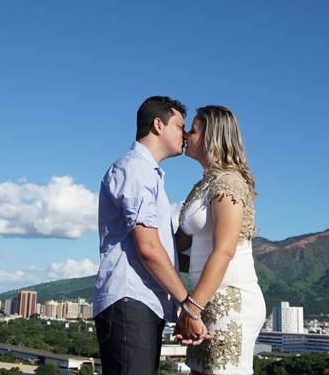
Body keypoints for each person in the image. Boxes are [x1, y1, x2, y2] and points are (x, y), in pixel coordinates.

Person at [94, 96, 209, 375]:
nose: (184, 135)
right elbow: (148, 247)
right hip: (129, 300)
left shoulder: (150, 174)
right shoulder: (135, 168)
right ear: (159, 125)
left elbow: (164, 251)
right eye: (180, 126)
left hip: (144, 303)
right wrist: (188, 303)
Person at [176, 105, 266, 375]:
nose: (185, 136)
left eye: (192, 131)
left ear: (211, 137)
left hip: (230, 300)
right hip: (203, 299)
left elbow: (224, 250)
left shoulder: (229, 183)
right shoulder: (202, 185)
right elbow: (177, 248)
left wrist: (192, 308)